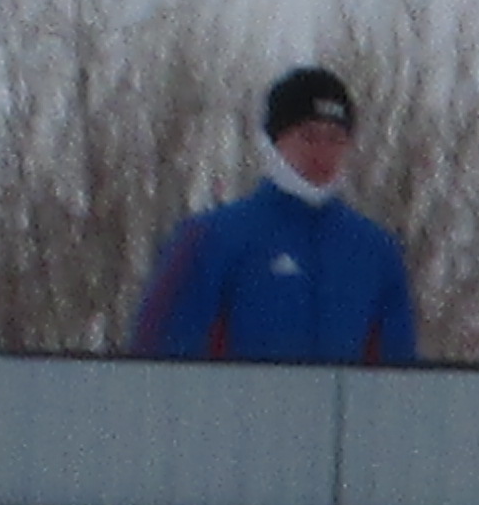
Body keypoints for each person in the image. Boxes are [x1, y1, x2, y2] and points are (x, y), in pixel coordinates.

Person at [127, 66, 420, 365]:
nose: (323, 152)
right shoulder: (210, 239)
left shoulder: (376, 252)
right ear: (276, 140)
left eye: (335, 138)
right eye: (308, 137)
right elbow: (161, 357)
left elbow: (396, 373)